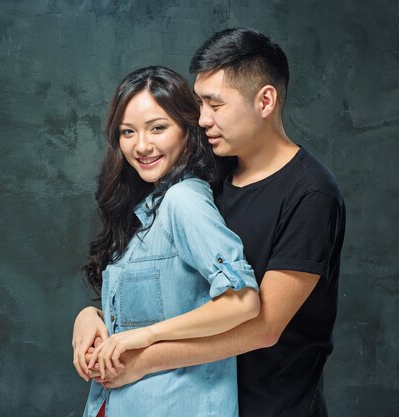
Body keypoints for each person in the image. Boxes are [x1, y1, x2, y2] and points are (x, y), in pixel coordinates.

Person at [76, 28, 346, 417]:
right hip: (191, 398)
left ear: (265, 101)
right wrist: (93, 316)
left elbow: (263, 325)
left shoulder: (310, 193)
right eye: (199, 103)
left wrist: (146, 356)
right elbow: (177, 296)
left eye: (215, 105)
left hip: (273, 406)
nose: (202, 119)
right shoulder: (206, 178)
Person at [73, 65, 260, 417]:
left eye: (157, 128)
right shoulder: (144, 211)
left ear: (187, 130)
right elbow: (162, 306)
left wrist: (146, 337)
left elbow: (243, 301)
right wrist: (90, 316)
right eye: (128, 132)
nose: (141, 146)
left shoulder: (184, 201)